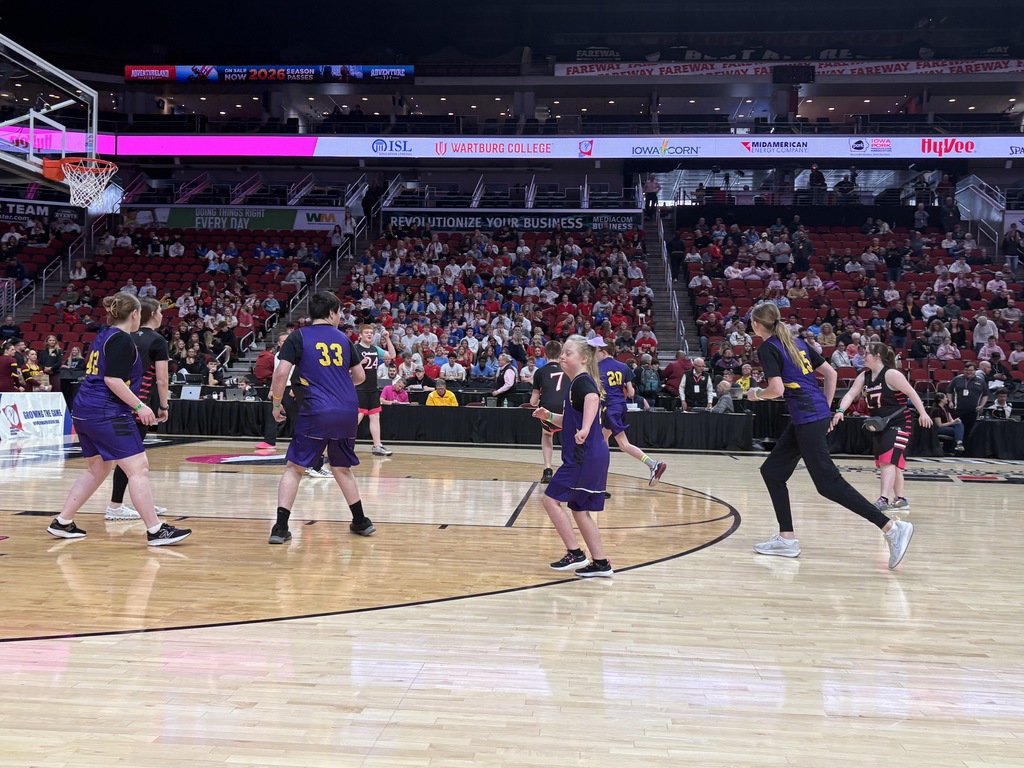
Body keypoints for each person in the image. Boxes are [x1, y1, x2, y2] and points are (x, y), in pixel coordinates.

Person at [744, 302, 913, 569]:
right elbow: (831, 373)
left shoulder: (767, 347)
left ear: (755, 324)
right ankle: (786, 539)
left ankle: (891, 528)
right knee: (773, 472)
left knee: (828, 483)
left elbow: (775, 389)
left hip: (808, 418)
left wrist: (755, 394)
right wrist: (825, 406)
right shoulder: (795, 342)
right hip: (810, 417)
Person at [46, 293, 191, 546]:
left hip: (84, 408)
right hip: (106, 411)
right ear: (135, 314)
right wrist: (140, 405)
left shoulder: (104, 333)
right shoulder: (122, 340)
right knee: (138, 468)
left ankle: (63, 521)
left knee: (98, 468)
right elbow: (112, 380)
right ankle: (156, 530)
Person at [268, 291, 376, 545]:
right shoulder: (344, 339)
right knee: (341, 467)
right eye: (340, 312)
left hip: (317, 409)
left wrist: (276, 404)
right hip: (348, 409)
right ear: (331, 313)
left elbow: (281, 373)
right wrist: (339, 384)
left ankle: (281, 527)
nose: (340, 317)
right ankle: (360, 521)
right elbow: (359, 376)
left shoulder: (299, 336)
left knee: (295, 468)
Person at [531, 335, 613, 578]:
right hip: (592, 455)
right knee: (579, 509)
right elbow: (567, 422)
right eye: (562, 353)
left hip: (583, 456)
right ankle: (600, 563)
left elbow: (592, 399)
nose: (563, 357)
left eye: (568, 353)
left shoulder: (581, 383)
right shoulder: (575, 383)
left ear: (584, 359)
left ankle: (575, 553)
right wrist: (547, 416)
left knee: (550, 500)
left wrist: (586, 428)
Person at [832, 343, 933, 513]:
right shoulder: (865, 376)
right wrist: (840, 411)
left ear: (878, 356)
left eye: (867, 354)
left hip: (899, 422)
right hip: (880, 424)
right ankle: (900, 500)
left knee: (887, 461)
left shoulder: (891, 374)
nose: (864, 356)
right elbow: (850, 393)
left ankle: (883, 499)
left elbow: (912, 393)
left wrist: (923, 413)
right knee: (891, 463)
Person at [105, 297, 172, 520]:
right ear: (152, 315)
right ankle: (115, 507)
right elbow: (162, 379)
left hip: (120, 399)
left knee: (133, 458)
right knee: (132, 458)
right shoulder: (158, 340)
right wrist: (163, 405)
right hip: (139, 401)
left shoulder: (125, 336)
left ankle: (142, 505)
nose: (162, 315)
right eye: (161, 311)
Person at [594, 338, 667, 486]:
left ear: (602, 351)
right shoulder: (623, 367)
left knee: (623, 444)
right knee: (603, 439)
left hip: (609, 407)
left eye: (596, 351)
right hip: (621, 406)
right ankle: (601, 476)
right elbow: (632, 392)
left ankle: (653, 464)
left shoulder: (597, 367)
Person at [354, 324, 396, 457]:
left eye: (371, 333)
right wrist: (360, 363)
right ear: (360, 335)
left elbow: (392, 355)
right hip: (359, 388)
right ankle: (344, 444)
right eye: (366, 332)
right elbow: (347, 368)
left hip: (372, 388)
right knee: (357, 417)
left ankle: (377, 446)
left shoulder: (375, 348)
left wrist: (387, 339)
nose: (369, 334)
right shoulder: (355, 349)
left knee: (375, 416)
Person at [531, 341, 566, 484]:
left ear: (545, 354)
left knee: (547, 434)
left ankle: (548, 469)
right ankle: (569, 470)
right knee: (568, 438)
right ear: (561, 354)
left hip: (548, 408)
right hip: (565, 408)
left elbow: (533, 401)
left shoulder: (539, 372)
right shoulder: (568, 369)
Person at [949, 362, 988, 442]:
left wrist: (981, 406)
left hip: (973, 411)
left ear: (975, 371)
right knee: (956, 429)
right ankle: (954, 448)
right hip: (958, 410)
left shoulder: (981, 381)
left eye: (970, 370)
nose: (968, 372)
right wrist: (950, 401)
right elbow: (949, 391)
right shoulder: (957, 379)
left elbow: (985, 395)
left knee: (968, 431)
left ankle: (966, 450)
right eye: (966, 370)